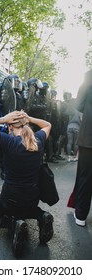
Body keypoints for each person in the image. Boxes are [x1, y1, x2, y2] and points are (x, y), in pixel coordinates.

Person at [0, 110, 54, 257]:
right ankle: (41, 215)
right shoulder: (38, 139)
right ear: (26, 124)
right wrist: (29, 118)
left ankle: (13, 224)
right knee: (27, 207)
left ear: (10, 127)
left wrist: (3, 119)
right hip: (33, 196)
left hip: (11, 197)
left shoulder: (9, 141)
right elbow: (48, 124)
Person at [67, 70, 92, 227]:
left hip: (89, 136)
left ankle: (81, 214)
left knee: (85, 176)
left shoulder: (90, 76)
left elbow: (80, 104)